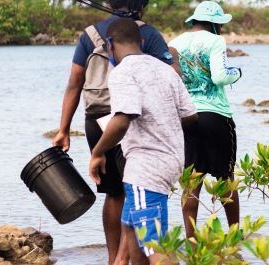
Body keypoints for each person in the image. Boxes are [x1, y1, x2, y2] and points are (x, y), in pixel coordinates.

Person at [51, 0, 179, 263]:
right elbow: (168, 76)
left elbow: (75, 84)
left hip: (96, 119)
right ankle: (124, 259)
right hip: (129, 119)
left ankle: (114, 259)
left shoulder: (90, 34)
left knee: (113, 192)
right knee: (134, 189)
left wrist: (63, 130)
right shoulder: (147, 33)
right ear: (140, 6)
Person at [88, 18, 197, 265]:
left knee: (154, 244)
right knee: (130, 228)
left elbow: (122, 119)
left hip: (146, 167)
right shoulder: (165, 69)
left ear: (109, 45)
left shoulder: (122, 72)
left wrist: (98, 152)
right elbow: (191, 114)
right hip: (170, 161)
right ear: (143, 42)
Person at [167, 1, 242, 239]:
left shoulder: (174, 43)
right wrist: (237, 73)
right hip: (215, 115)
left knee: (191, 179)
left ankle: (190, 237)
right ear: (214, 24)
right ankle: (233, 235)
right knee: (225, 177)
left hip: (186, 117)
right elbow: (220, 77)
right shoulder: (215, 40)